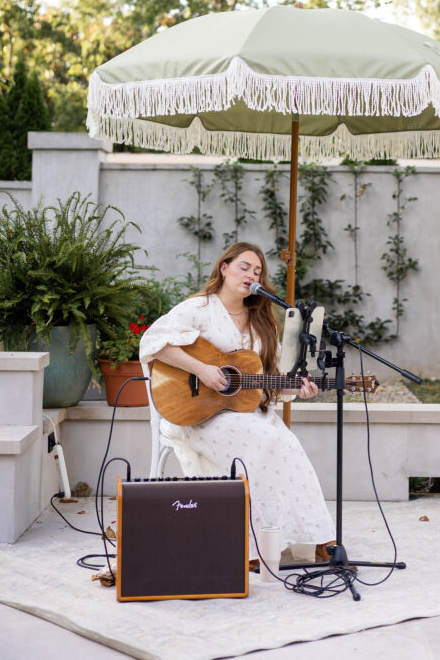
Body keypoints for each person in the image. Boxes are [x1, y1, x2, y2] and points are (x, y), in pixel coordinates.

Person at [139, 241, 336, 564]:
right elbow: (153, 342)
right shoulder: (198, 309)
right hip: (199, 414)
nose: (251, 275)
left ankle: (317, 536)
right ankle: (251, 546)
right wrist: (201, 369)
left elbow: (270, 378)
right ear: (224, 268)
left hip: (247, 411)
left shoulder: (262, 320)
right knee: (263, 440)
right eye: (244, 267)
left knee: (287, 444)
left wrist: (297, 388)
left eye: (257, 271)